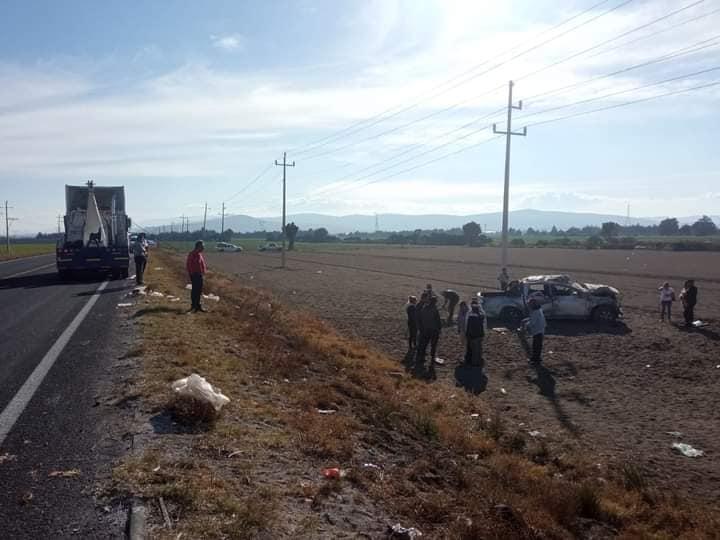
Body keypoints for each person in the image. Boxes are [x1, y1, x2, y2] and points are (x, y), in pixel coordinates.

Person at [416, 295, 442, 364]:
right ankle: (432, 358)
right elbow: (438, 321)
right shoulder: (435, 310)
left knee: (424, 344)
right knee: (433, 345)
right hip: (434, 330)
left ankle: (421, 357)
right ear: (435, 302)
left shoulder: (424, 308)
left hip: (425, 329)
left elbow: (420, 319)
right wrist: (439, 329)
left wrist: (421, 328)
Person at [186, 240, 208, 313]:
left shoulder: (199, 254)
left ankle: (198, 306)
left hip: (199, 274)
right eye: (202, 246)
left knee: (199, 291)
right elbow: (189, 265)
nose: (203, 247)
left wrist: (203, 272)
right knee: (195, 290)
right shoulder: (192, 254)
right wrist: (192, 274)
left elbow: (202, 264)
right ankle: (194, 306)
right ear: (198, 246)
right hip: (195, 275)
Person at [464, 300, 485, 366]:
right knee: (478, 349)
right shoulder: (481, 316)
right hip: (479, 335)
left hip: (472, 336)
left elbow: (468, 327)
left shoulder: (471, 317)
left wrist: (467, 335)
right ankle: (477, 361)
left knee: (473, 349)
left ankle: (473, 362)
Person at [525, 299, 546, 364]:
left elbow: (532, 323)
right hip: (541, 330)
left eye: (529, 304)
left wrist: (526, 325)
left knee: (536, 346)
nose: (528, 306)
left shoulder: (535, 312)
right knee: (538, 346)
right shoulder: (539, 309)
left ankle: (536, 360)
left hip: (537, 331)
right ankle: (536, 358)